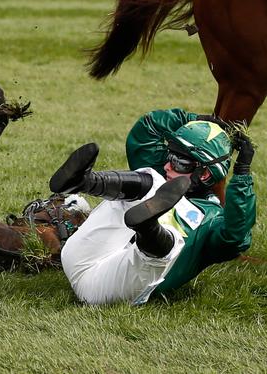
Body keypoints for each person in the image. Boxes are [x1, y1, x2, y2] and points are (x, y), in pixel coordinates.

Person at [48, 110, 255, 305]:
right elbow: (147, 128)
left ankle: (149, 228)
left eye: (179, 162)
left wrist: (243, 173)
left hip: (111, 287)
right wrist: (195, 119)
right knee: (152, 179)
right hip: (79, 254)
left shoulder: (212, 220)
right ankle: (84, 182)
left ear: (205, 174)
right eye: (169, 156)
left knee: (172, 240)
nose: (167, 165)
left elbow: (235, 236)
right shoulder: (160, 177)